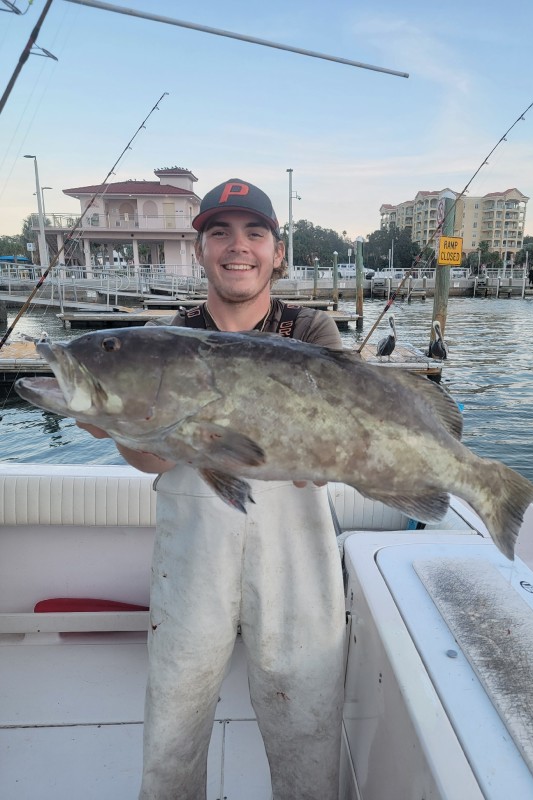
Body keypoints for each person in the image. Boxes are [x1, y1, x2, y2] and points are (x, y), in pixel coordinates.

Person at [78, 178, 346, 800]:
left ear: (278, 251)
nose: (238, 247)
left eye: (255, 233)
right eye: (219, 233)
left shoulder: (313, 332)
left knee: (305, 712)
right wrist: (119, 419)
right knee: (175, 714)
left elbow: (328, 460)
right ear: (200, 250)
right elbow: (151, 461)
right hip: (193, 552)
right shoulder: (166, 338)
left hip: (297, 552)